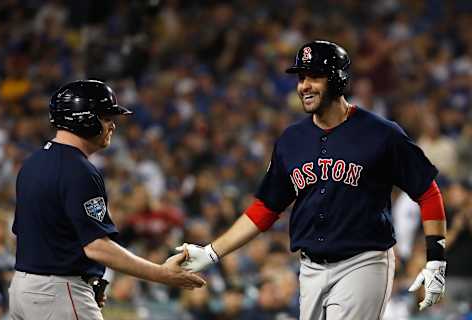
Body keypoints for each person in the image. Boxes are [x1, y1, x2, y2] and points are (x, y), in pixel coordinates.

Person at [174, 41, 447, 320]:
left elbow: (428, 192)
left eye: (314, 76)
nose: (304, 85)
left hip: (364, 262)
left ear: (338, 80)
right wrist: (211, 252)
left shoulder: (381, 133)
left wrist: (436, 259)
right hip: (310, 267)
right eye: (301, 77)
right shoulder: (291, 141)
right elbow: (264, 210)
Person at [8, 80, 205, 320]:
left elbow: (36, 235)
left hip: (23, 289)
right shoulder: (79, 170)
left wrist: (88, 277)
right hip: (58, 293)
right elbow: (97, 247)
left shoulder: (32, 163)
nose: (112, 125)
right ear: (84, 118)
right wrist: (161, 274)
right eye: (105, 117)